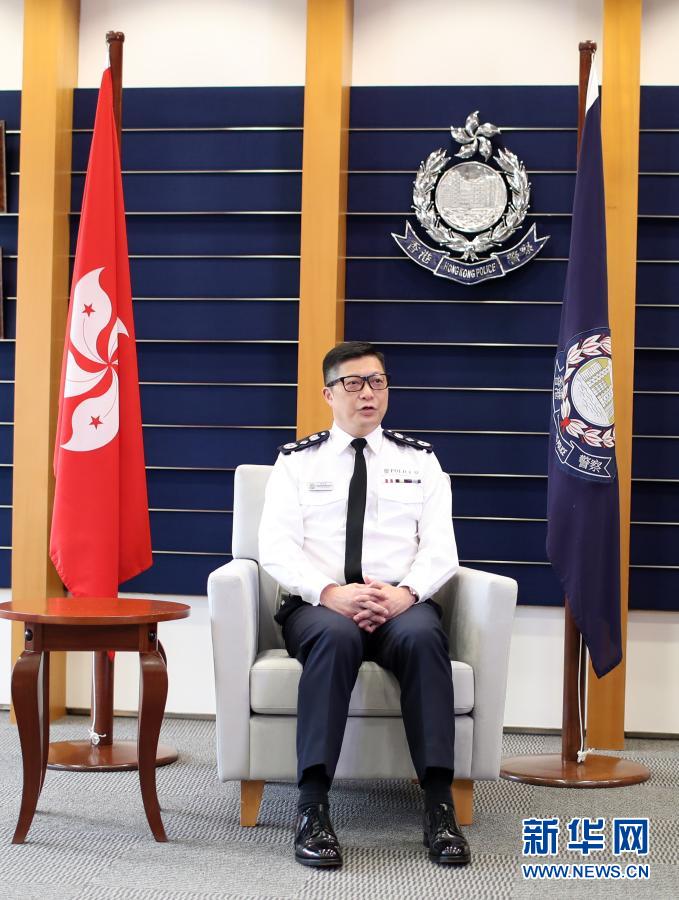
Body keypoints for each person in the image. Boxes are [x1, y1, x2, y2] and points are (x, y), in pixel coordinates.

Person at [258, 340, 470, 868]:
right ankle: (312, 807)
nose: (367, 393)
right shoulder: (296, 462)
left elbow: (441, 549)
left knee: (424, 637)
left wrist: (405, 595)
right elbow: (276, 549)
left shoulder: (419, 460)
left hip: (400, 602)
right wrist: (330, 593)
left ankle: (439, 805)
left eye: (377, 381)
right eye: (352, 383)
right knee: (335, 637)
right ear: (328, 394)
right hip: (320, 604)